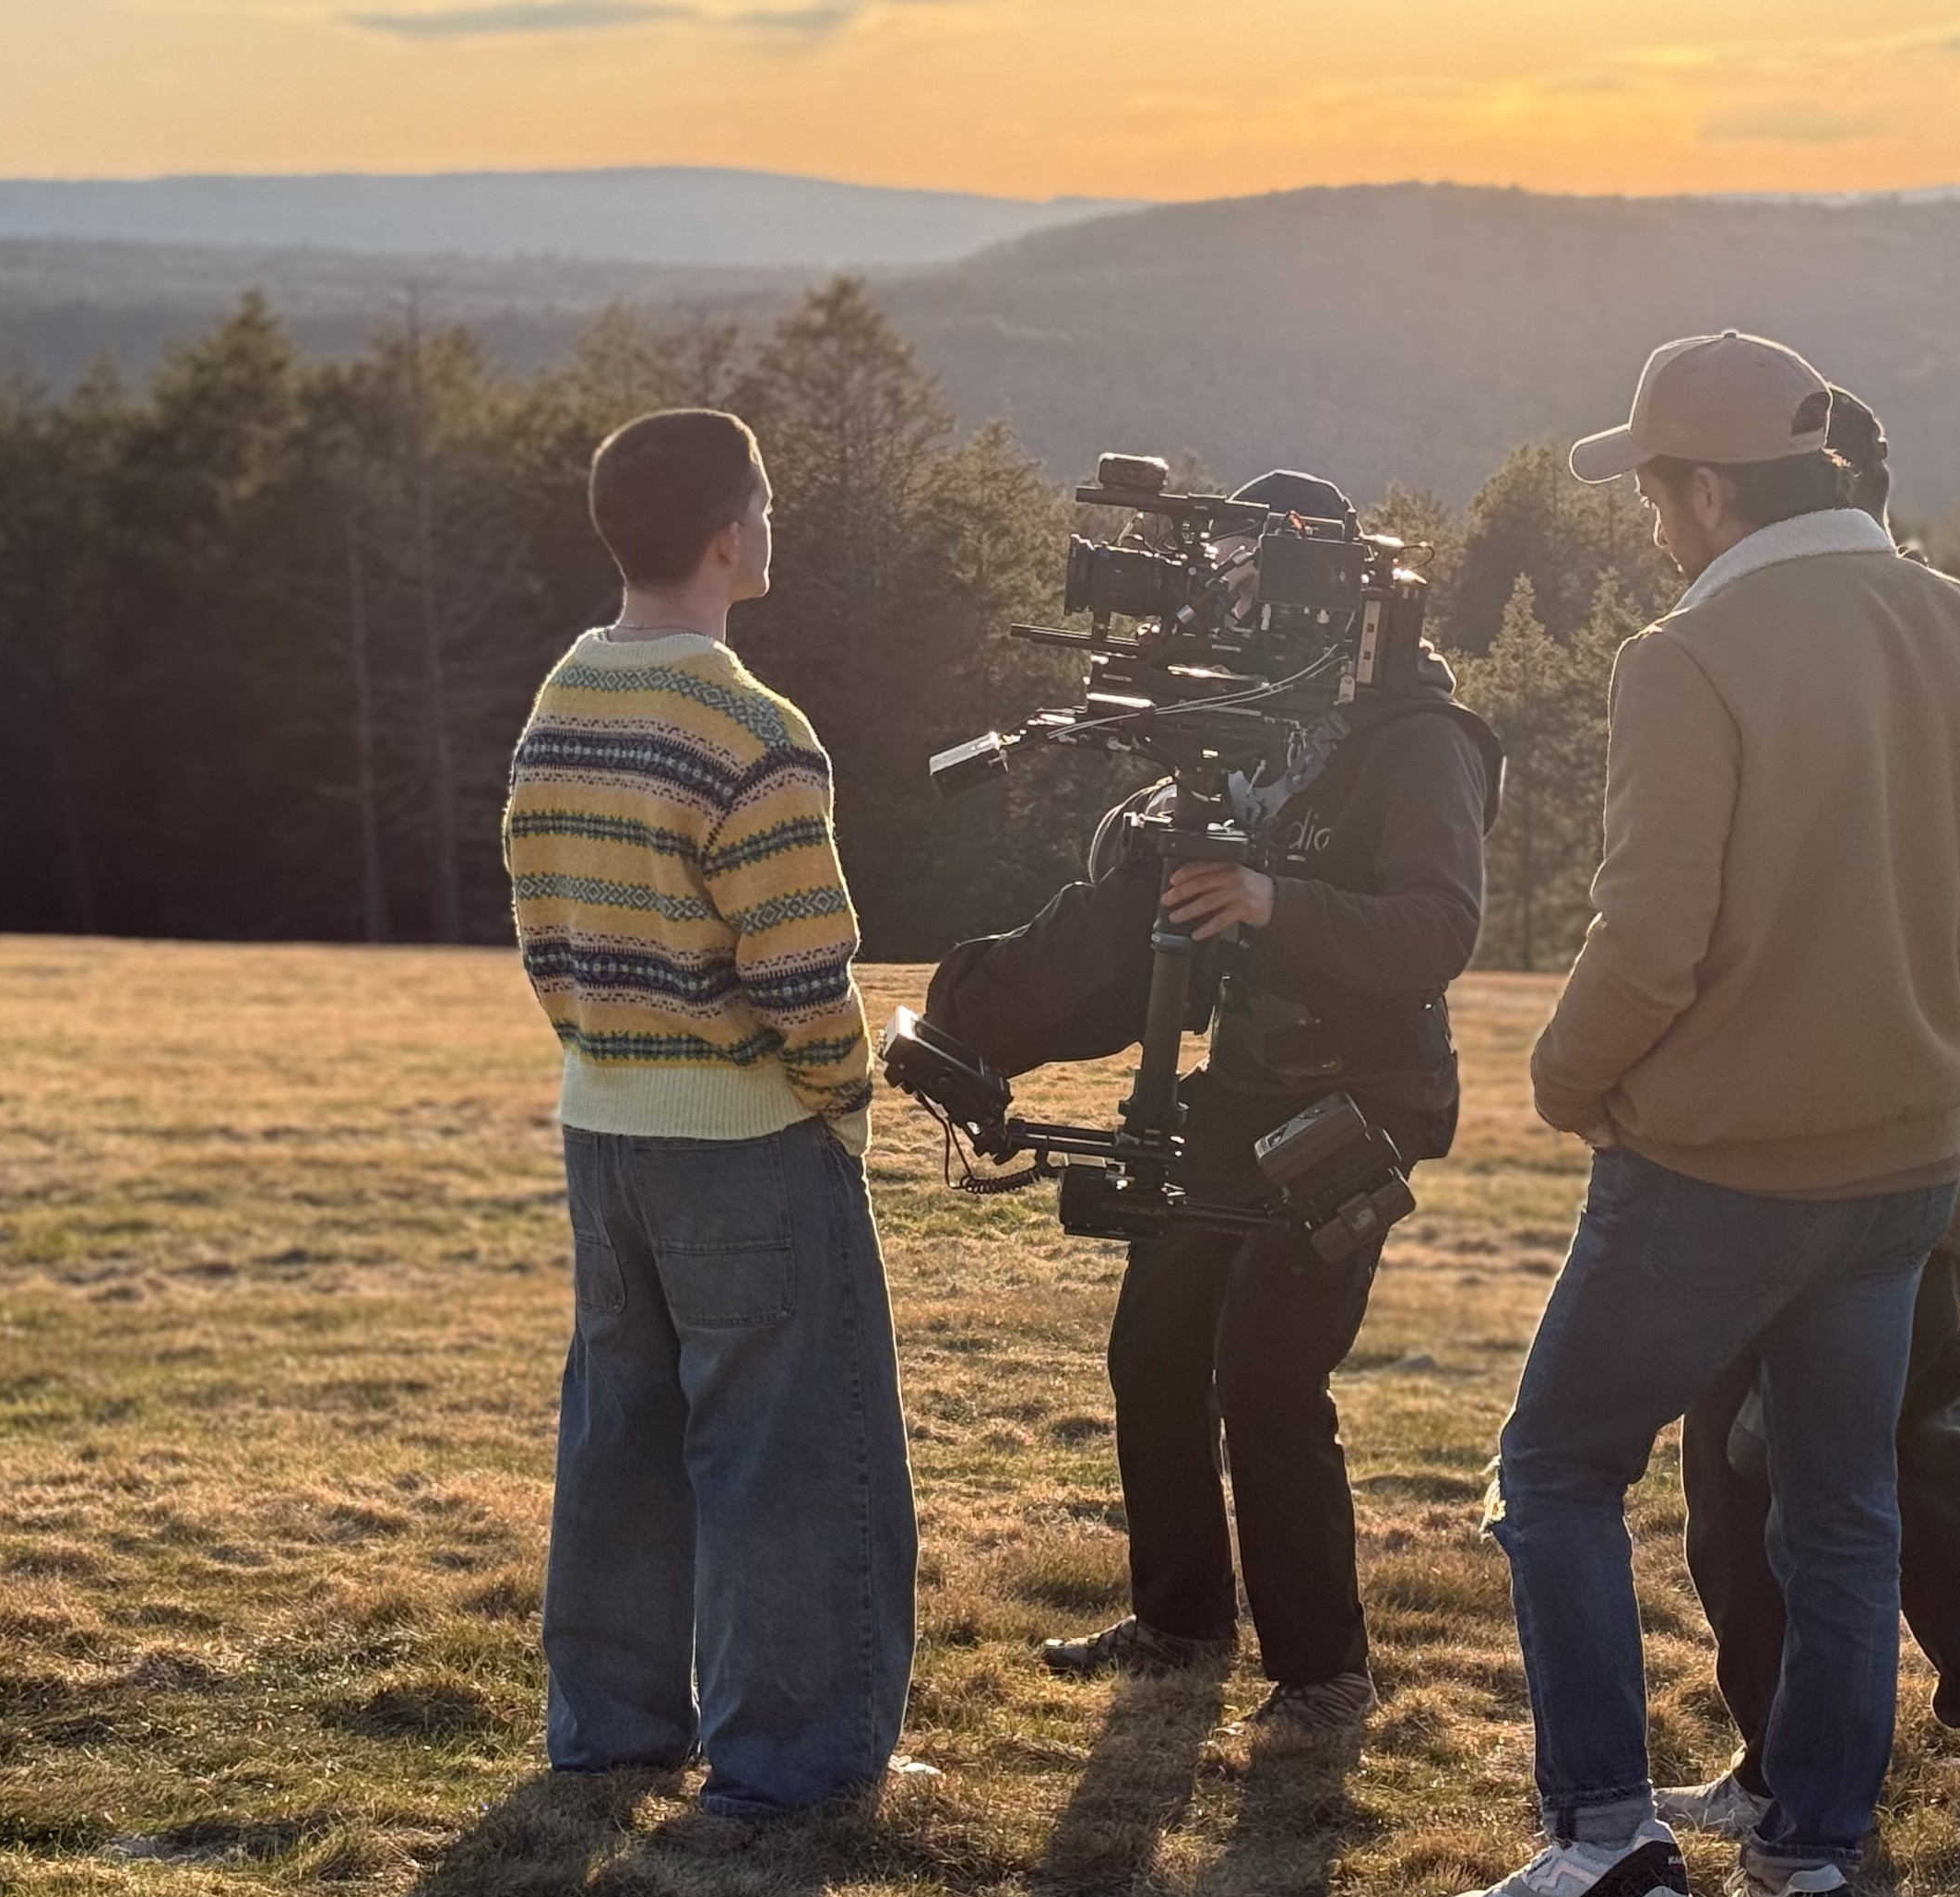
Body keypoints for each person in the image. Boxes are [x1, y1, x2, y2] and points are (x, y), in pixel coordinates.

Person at [1452, 336, 1960, 1897]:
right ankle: (1808, 1853)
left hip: (1713, 1168)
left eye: (1656, 490)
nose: (1650, 525)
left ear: (1713, 487)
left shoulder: (1691, 653)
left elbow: (1650, 936)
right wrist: (1926, 1036)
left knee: (1554, 1472)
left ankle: (1603, 1843)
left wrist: (1565, 1078)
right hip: (1904, 1166)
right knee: (1845, 1509)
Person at [922, 469, 1501, 1738]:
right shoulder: (1260, 738)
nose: (1232, 600)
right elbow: (1146, 954)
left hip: (1358, 1098)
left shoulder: (1418, 739)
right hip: (1242, 1084)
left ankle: (1324, 1675)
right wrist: (978, 1034)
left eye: (1251, 575)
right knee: (1155, 1350)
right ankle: (1182, 1622)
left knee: (1269, 1377)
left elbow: (1440, 928)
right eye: (1222, 572)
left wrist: (1274, 904)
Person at [1657, 389, 1960, 1840]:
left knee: (1848, 1427)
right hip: (1902, 1108)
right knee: (1835, 1421)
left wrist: (1909, 1045)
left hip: (1886, 1124)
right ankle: (1904, 1742)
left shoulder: (1860, 647)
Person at [498, 407, 912, 1817]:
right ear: (730, 538)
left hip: (601, 1127)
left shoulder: (563, 696)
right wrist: (846, 1097)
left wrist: (599, 1053)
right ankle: (793, 1759)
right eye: (769, 500)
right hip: (746, 1141)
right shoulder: (750, 728)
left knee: (620, 1433)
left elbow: (540, 920)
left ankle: (609, 1728)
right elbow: (803, 969)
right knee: (790, 1452)